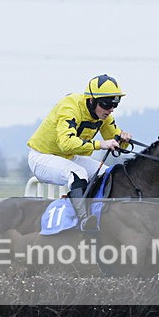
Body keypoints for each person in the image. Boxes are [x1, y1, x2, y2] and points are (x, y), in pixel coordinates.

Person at [27, 74, 133, 231]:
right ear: (91, 100)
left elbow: (113, 138)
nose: (110, 110)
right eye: (106, 104)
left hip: (67, 158)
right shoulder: (69, 107)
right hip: (42, 157)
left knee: (107, 173)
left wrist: (123, 138)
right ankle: (83, 221)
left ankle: (99, 214)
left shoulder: (103, 114)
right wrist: (100, 145)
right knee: (77, 173)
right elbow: (66, 143)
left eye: (114, 105)